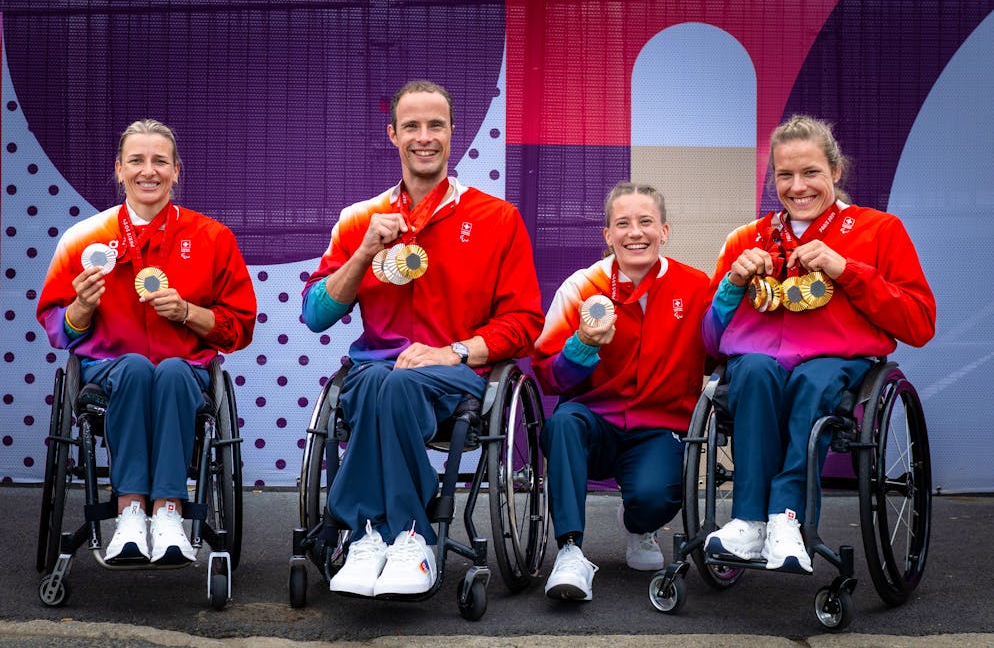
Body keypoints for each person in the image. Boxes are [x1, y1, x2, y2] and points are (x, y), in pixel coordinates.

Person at [301, 80, 543, 597]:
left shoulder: (498, 219)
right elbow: (315, 314)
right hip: (375, 373)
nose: (424, 136)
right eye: (412, 125)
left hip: (457, 373)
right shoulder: (359, 220)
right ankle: (386, 536)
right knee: (375, 384)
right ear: (393, 135)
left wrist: (450, 351)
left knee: (394, 386)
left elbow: (524, 323)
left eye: (436, 125)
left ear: (454, 135)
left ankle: (385, 532)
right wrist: (364, 253)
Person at [702, 114, 936, 573]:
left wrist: (846, 270)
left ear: (835, 172)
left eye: (811, 172)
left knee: (813, 377)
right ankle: (748, 520)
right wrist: (732, 281)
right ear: (773, 178)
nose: (798, 186)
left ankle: (786, 516)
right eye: (785, 174)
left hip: (836, 366)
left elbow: (920, 323)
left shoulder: (879, 229)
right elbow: (710, 341)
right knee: (749, 369)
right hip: (762, 368)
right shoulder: (746, 239)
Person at [37, 119, 257, 565]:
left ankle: (170, 512)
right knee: (137, 368)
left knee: (174, 370)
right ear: (118, 170)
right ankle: (131, 512)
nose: (148, 171)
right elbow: (57, 327)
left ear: (177, 170)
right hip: (110, 371)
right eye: (136, 160)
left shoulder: (213, 238)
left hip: (185, 371)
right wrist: (81, 307)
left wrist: (189, 313)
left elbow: (241, 328)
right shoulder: (84, 239)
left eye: (160, 161)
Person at [532, 182, 711, 601]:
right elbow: (549, 377)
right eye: (623, 223)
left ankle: (638, 523)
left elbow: (719, 347)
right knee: (563, 421)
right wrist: (584, 345)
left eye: (646, 222)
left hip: (658, 426)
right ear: (608, 235)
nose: (635, 232)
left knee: (653, 499)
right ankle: (571, 552)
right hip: (594, 424)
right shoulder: (581, 286)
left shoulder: (696, 286)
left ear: (664, 231)